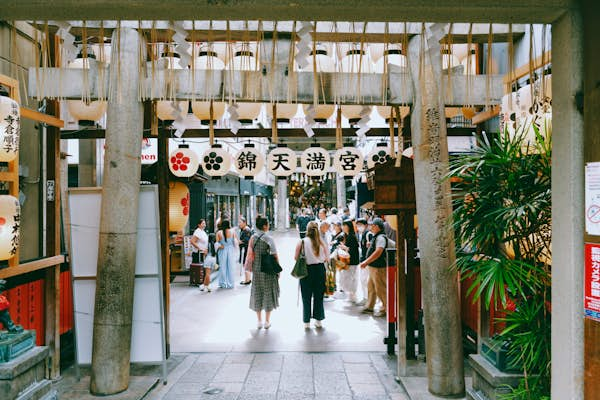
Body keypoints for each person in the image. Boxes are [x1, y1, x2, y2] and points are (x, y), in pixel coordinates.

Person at [295, 221, 329, 329]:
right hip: (320, 270)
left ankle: (306, 322)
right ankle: (318, 321)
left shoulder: (302, 242)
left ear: (307, 230)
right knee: (318, 296)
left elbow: (296, 258)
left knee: (306, 296)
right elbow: (327, 258)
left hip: (306, 270)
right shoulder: (322, 242)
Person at [249, 216, 280, 329]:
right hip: (268, 269)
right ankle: (267, 321)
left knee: (257, 291)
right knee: (268, 292)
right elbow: (275, 255)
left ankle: (259, 321)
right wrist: (278, 270)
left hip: (256, 268)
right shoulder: (269, 239)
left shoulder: (253, 238)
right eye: (267, 224)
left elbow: (250, 254)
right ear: (264, 226)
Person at [359, 218, 389, 317]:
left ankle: (386, 308)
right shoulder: (377, 237)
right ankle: (370, 306)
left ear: (377, 226)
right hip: (374, 267)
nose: (371, 227)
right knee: (371, 287)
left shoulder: (380, 237)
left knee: (381, 288)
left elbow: (379, 251)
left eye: (372, 225)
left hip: (378, 268)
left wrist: (366, 262)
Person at [338, 220, 359, 303]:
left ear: (348, 227)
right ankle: (351, 296)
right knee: (349, 277)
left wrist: (344, 247)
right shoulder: (347, 235)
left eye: (344, 225)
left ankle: (353, 296)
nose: (343, 227)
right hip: (349, 260)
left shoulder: (351, 236)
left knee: (351, 278)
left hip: (352, 261)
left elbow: (353, 249)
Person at [216, 219, 236, 289]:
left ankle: (223, 283)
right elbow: (235, 242)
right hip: (231, 250)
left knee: (222, 266)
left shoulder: (219, 233)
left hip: (222, 250)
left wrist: (221, 246)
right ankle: (231, 283)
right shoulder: (232, 231)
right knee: (230, 267)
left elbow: (216, 243)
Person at [355, 218, 371, 305]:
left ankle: (367, 299)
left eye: (360, 225)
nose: (358, 227)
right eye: (357, 225)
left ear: (365, 225)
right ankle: (366, 298)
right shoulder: (363, 234)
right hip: (364, 260)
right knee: (363, 280)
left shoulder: (368, 234)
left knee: (365, 280)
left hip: (366, 261)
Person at [238, 216, 253, 285]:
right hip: (245, 250)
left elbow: (246, 241)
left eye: (240, 222)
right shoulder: (243, 230)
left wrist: (239, 241)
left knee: (246, 265)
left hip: (246, 250)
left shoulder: (246, 230)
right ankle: (247, 279)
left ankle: (247, 280)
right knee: (246, 265)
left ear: (244, 223)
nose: (239, 224)